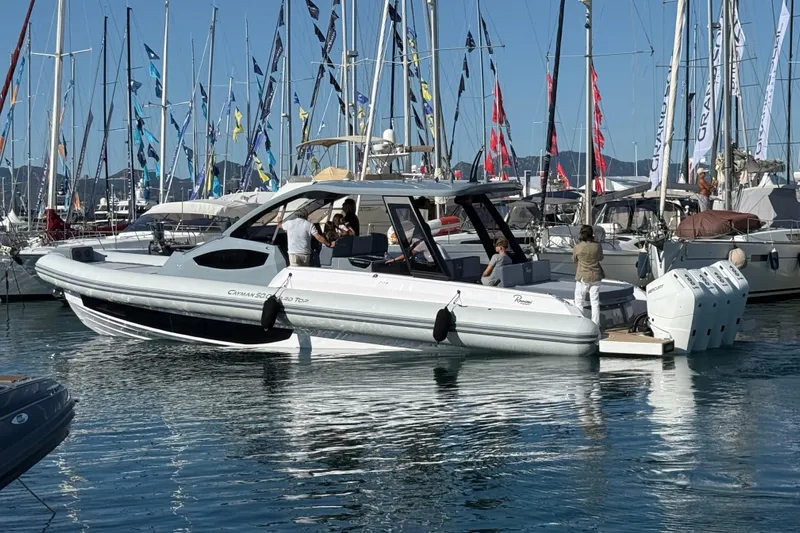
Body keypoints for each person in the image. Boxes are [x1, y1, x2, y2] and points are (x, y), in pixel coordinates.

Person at [572, 224, 604, 327]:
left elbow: (574, 260)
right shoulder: (597, 246)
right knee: (595, 302)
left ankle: (581, 324)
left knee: (579, 301)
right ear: (592, 234)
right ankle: (596, 325)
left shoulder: (578, 247)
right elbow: (601, 258)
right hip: (596, 275)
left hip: (582, 277)